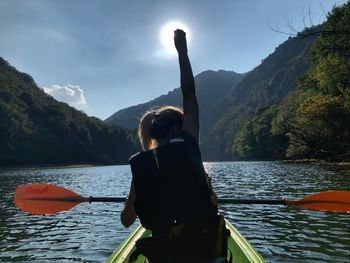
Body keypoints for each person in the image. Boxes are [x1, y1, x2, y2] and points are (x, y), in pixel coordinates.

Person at [121, 29, 228, 263]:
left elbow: (127, 220)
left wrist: (131, 203)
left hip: (165, 255)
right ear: (176, 129)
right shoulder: (187, 142)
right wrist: (182, 50)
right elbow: (189, 93)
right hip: (205, 251)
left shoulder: (143, 168)